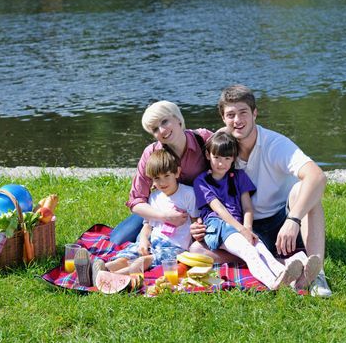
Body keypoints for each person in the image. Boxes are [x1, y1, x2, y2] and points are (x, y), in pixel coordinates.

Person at [190, 84, 331, 296]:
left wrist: (293, 221)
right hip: (243, 226)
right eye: (231, 115)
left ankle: (318, 276)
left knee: (305, 189)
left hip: (282, 222)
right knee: (197, 250)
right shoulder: (222, 147)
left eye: (243, 112)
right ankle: (285, 264)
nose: (237, 120)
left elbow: (317, 176)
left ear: (255, 113)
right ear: (223, 119)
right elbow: (205, 185)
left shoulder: (275, 144)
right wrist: (196, 223)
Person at [109, 101, 235, 254]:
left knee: (208, 244)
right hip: (163, 208)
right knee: (117, 240)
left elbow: (227, 155)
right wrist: (164, 216)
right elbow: (136, 201)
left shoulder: (203, 139)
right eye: (155, 129)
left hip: (201, 209)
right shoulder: (152, 154)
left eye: (164, 121)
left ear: (178, 119)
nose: (162, 130)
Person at [193, 130, 308, 290]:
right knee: (249, 251)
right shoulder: (202, 181)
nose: (221, 163)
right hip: (218, 226)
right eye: (217, 158)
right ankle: (272, 282)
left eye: (227, 158)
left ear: (233, 158)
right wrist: (241, 229)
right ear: (208, 155)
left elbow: (247, 207)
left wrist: (247, 228)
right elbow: (218, 209)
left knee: (260, 247)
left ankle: (286, 274)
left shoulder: (238, 176)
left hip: (238, 226)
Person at [102, 149, 199, 275]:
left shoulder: (188, 195)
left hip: (175, 247)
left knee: (146, 260)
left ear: (177, 172)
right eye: (157, 178)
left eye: (167, 176)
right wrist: (143, 240)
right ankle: (103, 268)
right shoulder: (154, 197)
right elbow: (147, 225)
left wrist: (195, 249)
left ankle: (115, 276)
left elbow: (195, 223)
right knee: (129, 253)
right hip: (153, 242)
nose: (162, 182)